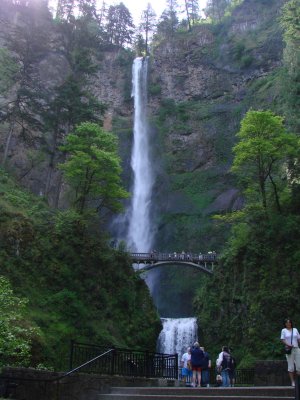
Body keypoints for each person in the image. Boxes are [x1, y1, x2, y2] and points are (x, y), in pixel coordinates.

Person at [280, 318, 300, 387]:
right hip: (289, 349)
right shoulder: (284, 330)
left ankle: (297, 381)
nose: (288, 324)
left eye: (289, 322)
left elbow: (298, 339)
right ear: (285, 324)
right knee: (291, 366)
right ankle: (293, 382)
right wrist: (288, 344)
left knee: (299, 366)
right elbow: (282, 340)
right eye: (287, 323)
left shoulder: (295, 329)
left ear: (291, 323)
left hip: (296, 348)